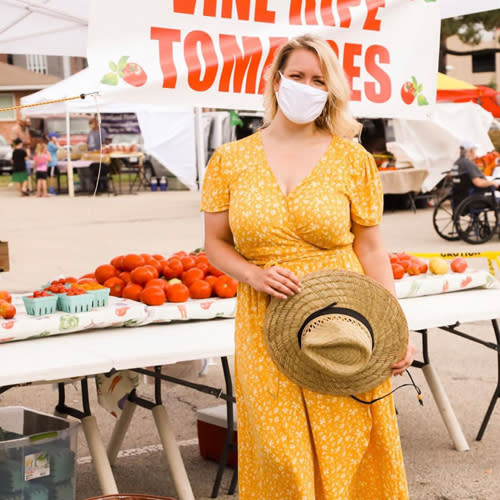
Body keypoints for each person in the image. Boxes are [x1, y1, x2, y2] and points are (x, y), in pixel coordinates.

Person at [201, 34, 415, 500]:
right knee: (279, 452)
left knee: (348, 443)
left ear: (331, 90)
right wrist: (252, 273)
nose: (306, 86)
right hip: (265, 319)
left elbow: (372, 249)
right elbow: (215, 245)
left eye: (318, 79)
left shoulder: (352, 158)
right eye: (297, 76)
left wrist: (396, 325)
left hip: (343, 316)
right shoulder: (229, 161)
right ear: (276, 80)